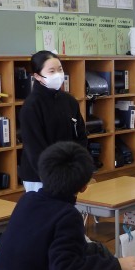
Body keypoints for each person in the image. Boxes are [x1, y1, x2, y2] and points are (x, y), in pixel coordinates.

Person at [0, 142, 135, 270]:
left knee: (96, 251)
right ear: (84, 186)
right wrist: (117, 265)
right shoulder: (67, 215)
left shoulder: (27, 199)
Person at [19, 50, 87, 193]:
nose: (58, 74)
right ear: (37, 76)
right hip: (40, 177)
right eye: (51, 71)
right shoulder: (31, 106)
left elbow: (81, 136)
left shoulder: (69, 101)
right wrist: (53, 177)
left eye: (60, 69)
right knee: (48, 208)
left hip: (69, 173)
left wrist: (79, 170)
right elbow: (35, 149)